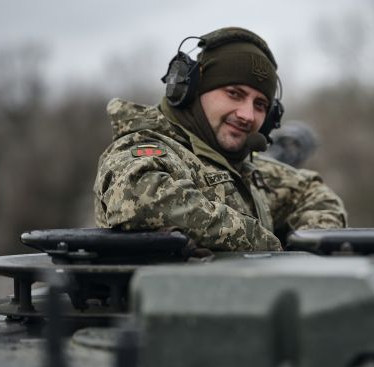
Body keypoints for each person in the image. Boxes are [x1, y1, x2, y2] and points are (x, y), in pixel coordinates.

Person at [94, 27, 346, 252]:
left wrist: (305, 248)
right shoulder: (145, 149)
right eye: (234, 94)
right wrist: (266, 246)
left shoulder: (245, 170)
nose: (247, 115)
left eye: (260, 105)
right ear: (191, 90)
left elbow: (313, 194)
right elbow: (142, 198)